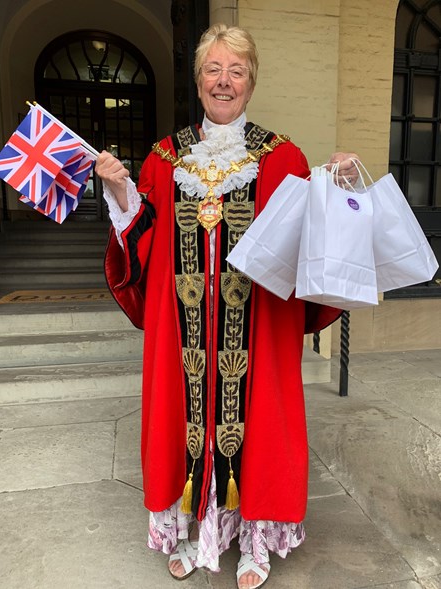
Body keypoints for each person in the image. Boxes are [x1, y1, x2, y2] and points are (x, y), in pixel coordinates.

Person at [96, 23, 359, 589]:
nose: (224, 81)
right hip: (187, 336)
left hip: (256, 328)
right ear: (197, 81)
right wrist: (120, 192)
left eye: (236, 71)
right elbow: (145, 238)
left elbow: (308, 241)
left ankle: (254, 545)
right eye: (213, 69)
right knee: (185, 424)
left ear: (251, 81)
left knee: (260, 428)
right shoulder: (165, 160)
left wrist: (334, 189)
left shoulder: (283, 157)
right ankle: (196, 534)